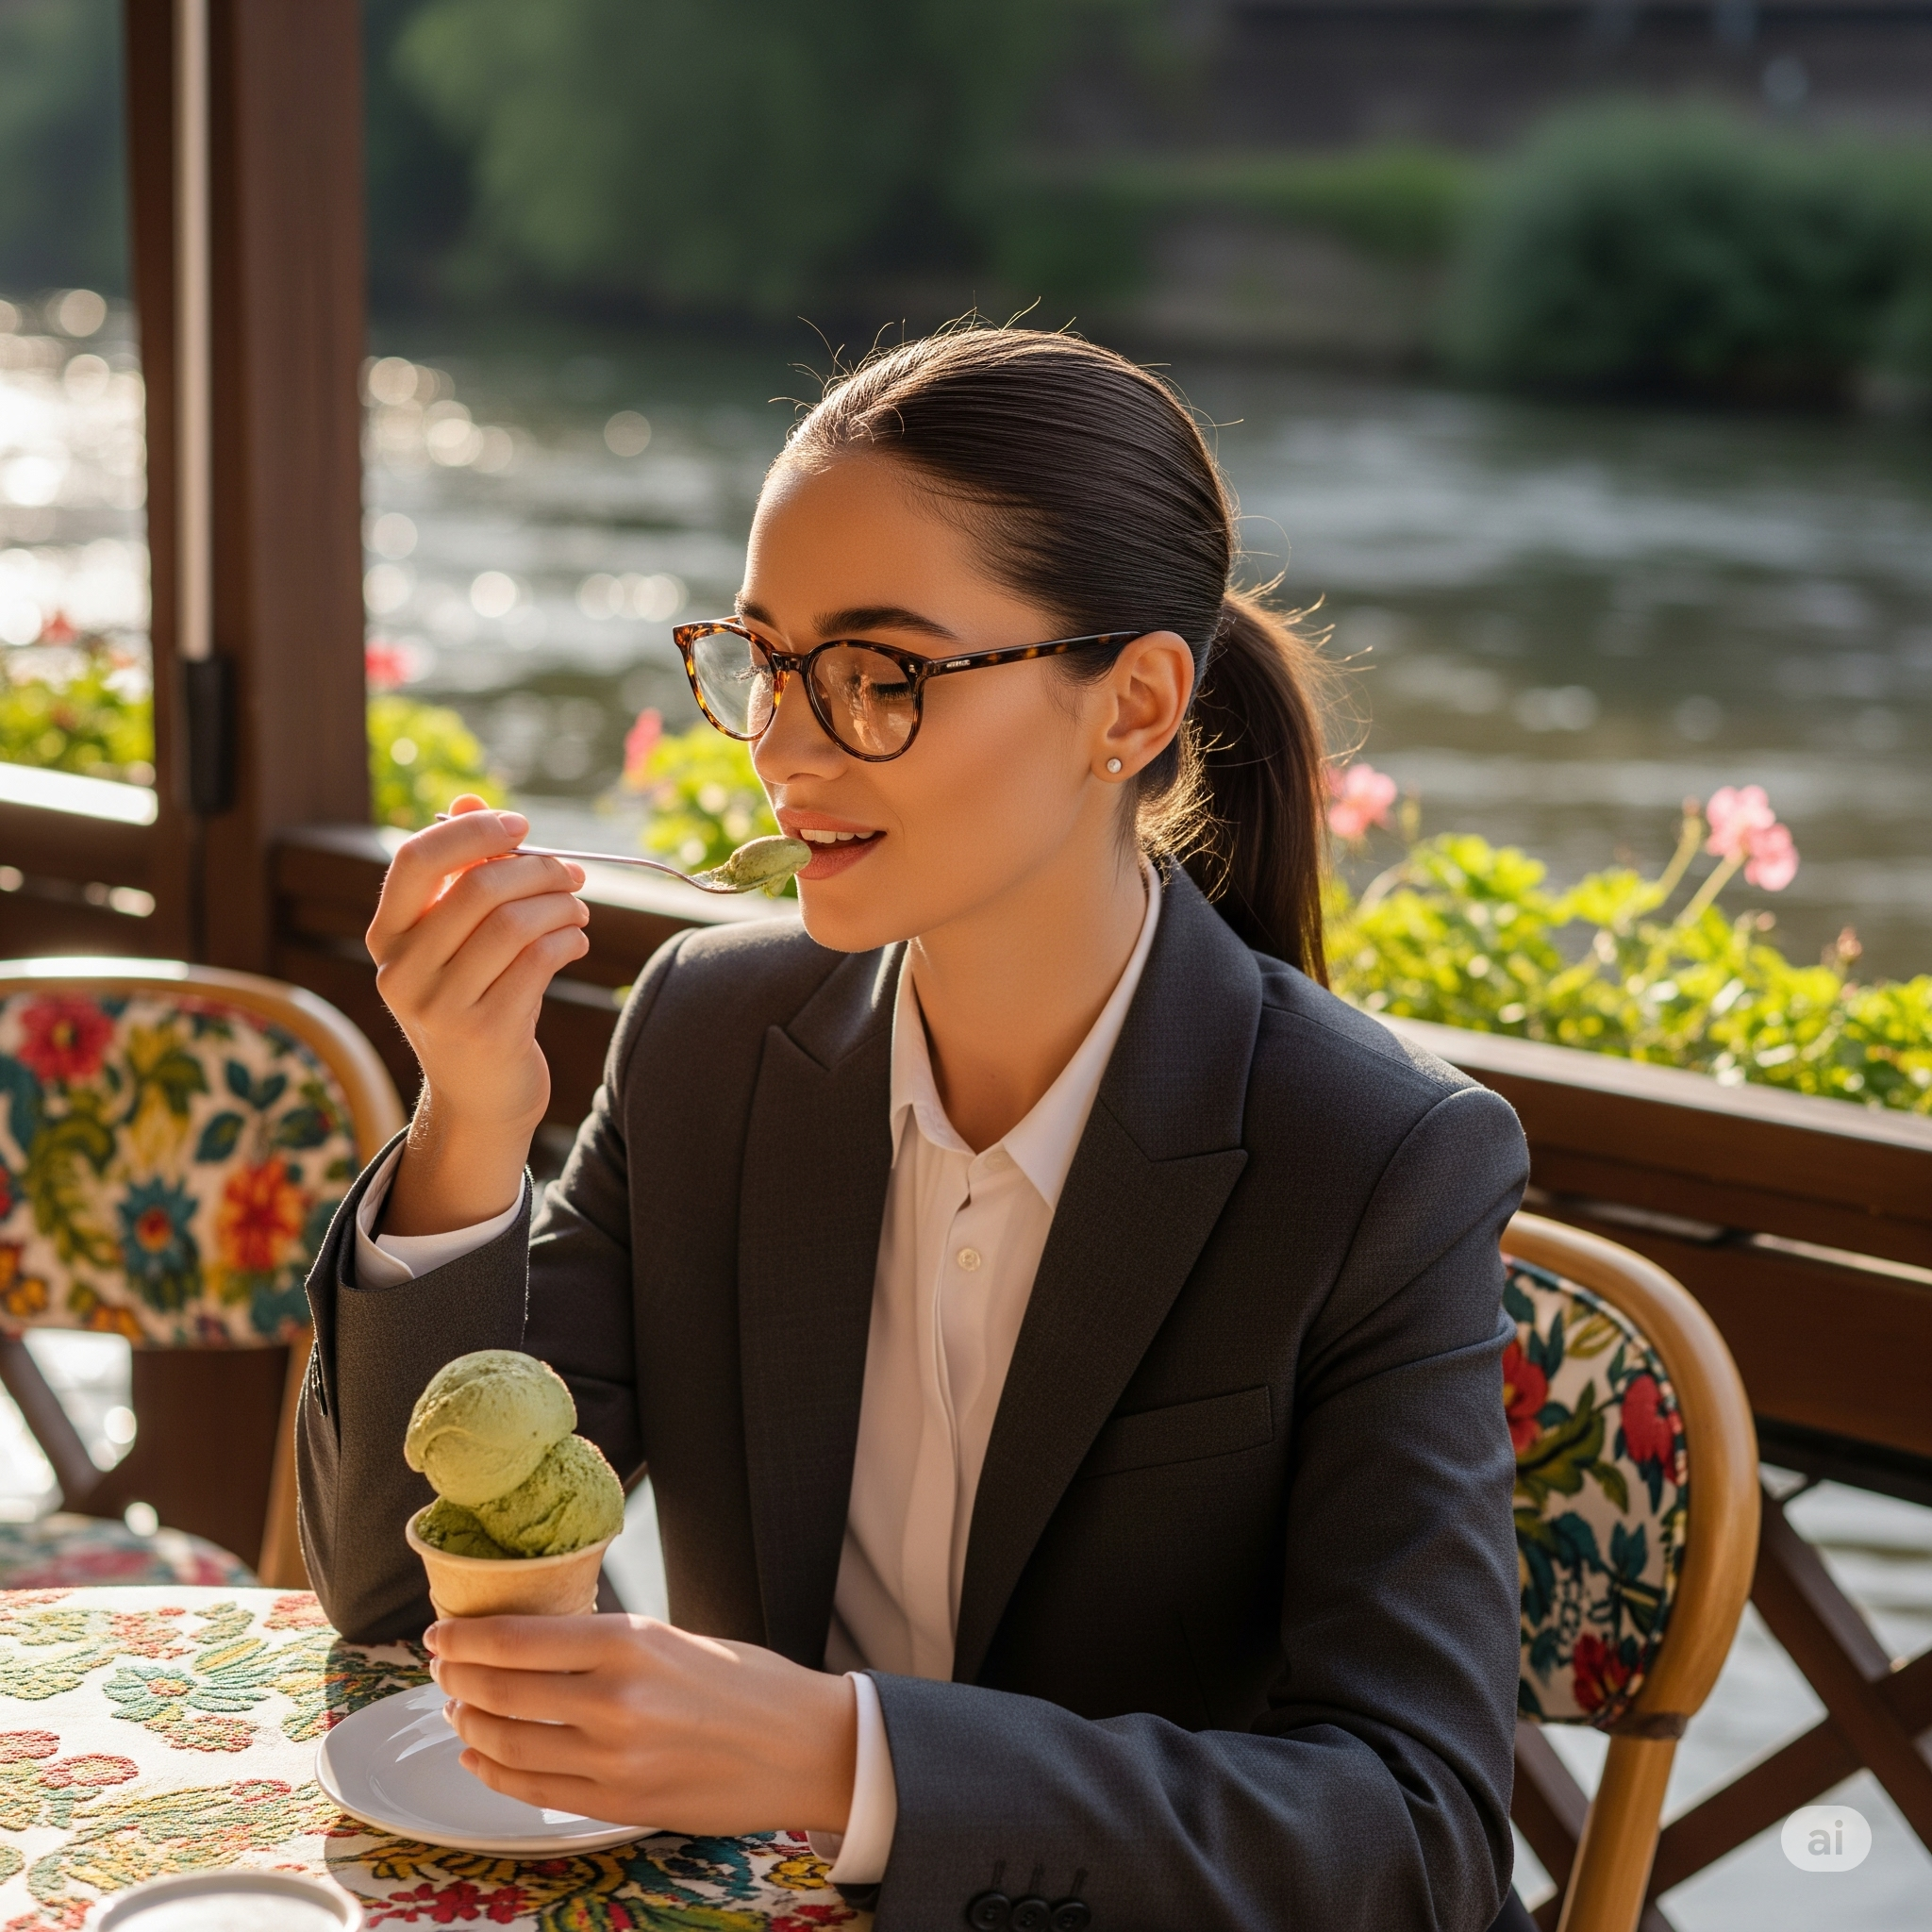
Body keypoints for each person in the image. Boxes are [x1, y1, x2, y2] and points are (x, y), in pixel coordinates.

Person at [298, 326, 1528, 1932]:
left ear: (1134, 706)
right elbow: (408, 1601)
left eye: (882, 676)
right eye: (766, 660)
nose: (787, 748)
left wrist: (844, 1753)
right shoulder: (709, 1038)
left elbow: (1416, 1840)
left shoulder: (1380, 1160)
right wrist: (474, 1115)